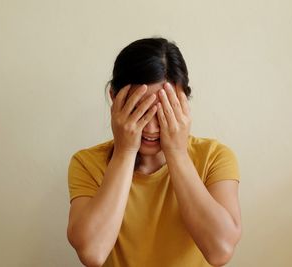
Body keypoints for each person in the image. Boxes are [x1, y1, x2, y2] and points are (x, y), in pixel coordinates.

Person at [66, 37, 241, 267]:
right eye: (140, 109)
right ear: (114, 97)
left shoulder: (214, 157)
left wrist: (177, 153)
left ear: (183, 103)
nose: (150, 128)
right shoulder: (88, 163)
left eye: (164, 110)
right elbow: (92, 252)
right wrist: (125, 151)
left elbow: (220, 251)